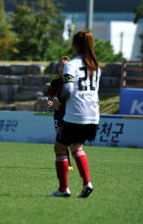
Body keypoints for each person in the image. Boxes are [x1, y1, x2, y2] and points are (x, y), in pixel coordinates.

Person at [50, 31, 101, 198]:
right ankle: (87, 183)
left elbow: (68, 89)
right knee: (76, 147)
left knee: (59, 147)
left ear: (75, 45)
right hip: (93, 114)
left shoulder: (71, 65)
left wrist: (59, 101)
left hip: (75, 113)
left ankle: (63, 189)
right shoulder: (95, 66)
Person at [47, 56, 73, 170]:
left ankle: (70, 161)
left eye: (65, 66)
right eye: (61, 66)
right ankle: (67, 163)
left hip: (71, 113)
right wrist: (50, 102)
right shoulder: (55, 81)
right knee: (59, 137)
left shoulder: (73, 79)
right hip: (59, 113)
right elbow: (51, 95)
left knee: (70, 140)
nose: (62, 68)